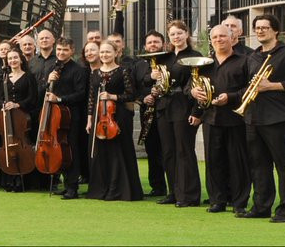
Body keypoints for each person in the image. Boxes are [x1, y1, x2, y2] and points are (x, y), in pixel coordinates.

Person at [240, 13, 285, 223]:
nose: (260, 31)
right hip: (253, 116)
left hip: (277, 117)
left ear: (275, 30)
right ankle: (261, 206)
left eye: (265, 27)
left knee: (282, 165)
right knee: (258, 165)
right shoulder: (253, 57)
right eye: (257, 28)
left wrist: (271, 86)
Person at [194, 24, 249, 214]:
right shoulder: (204, 63)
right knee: (213, 162)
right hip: (211, 118)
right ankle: (217, 201)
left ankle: (239, 202)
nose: (219, 40)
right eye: (215, 37)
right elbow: (190, 85)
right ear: (211, 40)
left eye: (222, 36)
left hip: (236, 119)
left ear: (232, 38)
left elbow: (250, 87)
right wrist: (193, 91)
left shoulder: (244, 61)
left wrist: (231, 97)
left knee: (238, 162)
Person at [153, 20, 202, 208]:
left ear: (186, 34)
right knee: (168, 152)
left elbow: (198, 85)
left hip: (184, 107)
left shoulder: (195, 56)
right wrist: (154, 79)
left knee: (184, 151)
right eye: (172, 34)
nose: (176, 37)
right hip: (164, 107)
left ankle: (189, 195)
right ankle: (174, 192)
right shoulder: (164, 57)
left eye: (179, 33)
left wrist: (197, 112)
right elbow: (152, 81)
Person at [86, 41, 142, 201]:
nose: (104, 55)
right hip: (99, 118)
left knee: (117, 153)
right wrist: (89, 119)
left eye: (108, 52)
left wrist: (112, 96)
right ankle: (101, 189)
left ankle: (118, 190)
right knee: (100, 154)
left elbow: (131, 95)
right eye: (102, 52)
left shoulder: (123, 71)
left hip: (118, 117)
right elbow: (91, 98)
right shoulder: (95, 73)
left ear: (116, 53)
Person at [43, 37, 87, 199]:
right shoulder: (53, 68)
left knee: (71, 150)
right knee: (60, 150)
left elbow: (81, 94)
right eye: (59, 49)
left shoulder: (78, 70)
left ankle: (73, 187)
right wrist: (48, 82)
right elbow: (45, 91)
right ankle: (65, 183)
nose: (61, 53)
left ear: (72, 51)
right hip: (55, 116)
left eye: (65, 50)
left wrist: (60, 99)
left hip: (71, 116)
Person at [132, 30, 168, 196]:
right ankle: (157, 187)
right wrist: (143, 98)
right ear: (145, 46)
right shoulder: (139, 65)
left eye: (156, 42)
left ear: (163, 44)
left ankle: (176, 188)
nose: (153, 45)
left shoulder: (169, 61)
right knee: (152, 151)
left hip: (166, 112)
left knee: (169, 151)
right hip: (147, 113)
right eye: (150, 42)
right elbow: (133, 89)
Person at [0, 49, 34, 191]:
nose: (13, 61)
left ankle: (22, 178)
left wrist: (17, 105)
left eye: (15, 58)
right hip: (7, 116)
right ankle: (9, 177)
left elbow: (32, 98)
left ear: (21, 59)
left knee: (23, 144)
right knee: (8, 144)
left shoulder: (28, 77)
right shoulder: (4, 78)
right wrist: (3, 105)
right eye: (10, 59)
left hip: (22, 116)